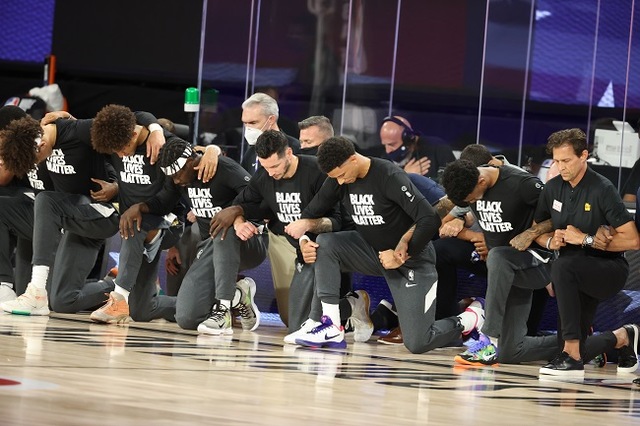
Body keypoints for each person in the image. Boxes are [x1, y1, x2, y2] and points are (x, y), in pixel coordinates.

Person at [291, 136, 485, 351]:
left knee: (418, 342)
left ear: (353, 159)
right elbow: (309, 215)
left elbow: (428, 219)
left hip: (412, 259)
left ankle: (470, 319)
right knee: (327, 243)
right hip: (373, 253)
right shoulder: (339, 179)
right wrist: (305, 239)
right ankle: (330, 324)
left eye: (342, 175)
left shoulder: (388, 175)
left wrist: (403, 253)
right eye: (334, 177)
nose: (340, 181)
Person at [87, 104, 221, 324]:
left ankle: (118, 299)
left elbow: (170, 195)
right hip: (139, 222)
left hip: (169, 220)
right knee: (141, 311)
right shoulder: (120, 132)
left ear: (133, 134)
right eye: (116, 153)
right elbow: (135, 114)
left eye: (123, 149)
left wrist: (212, 149)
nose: (120, 155)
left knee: (133, 221)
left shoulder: (166, 146)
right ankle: (218, 305)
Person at [534, 128, 640, 376]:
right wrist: (551, 241)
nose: (561, 167)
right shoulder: (552, 188)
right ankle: (622, 337)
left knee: (562, 267)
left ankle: (571, 354)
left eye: (567, 160)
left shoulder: (602, 188)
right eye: (557, 161)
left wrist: (585, 239)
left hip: (607, 269)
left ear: (584, 156)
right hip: (571, 270)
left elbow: (633, 240)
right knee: (570, 346)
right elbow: (537, 230)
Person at [0, 113, 125, 315]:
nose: (35, 166)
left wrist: (118, 187)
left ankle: (37, 292)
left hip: (102, 212)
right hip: (71, 217)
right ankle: (119, 284)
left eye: (35, 160)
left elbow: (129, 124)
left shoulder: (79, 131)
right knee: (62, 301)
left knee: (44, 200)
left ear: (40, 147)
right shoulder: (41, 143)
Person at [155, 137, 267, 334]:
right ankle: (239, 295)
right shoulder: (177, 178)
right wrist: (140, 208)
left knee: (226, 226)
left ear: (191, 161)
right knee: (187, 318)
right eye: (171, 176)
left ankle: (223, 309)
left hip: (249, 241)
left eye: (178, 173)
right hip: (209, 248)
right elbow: (164, 202)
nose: (176, 180)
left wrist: (236, 212)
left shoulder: (223, 168)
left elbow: (259, 198)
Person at [237, 93, 301, 327]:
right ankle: (232, 298)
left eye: (253, 123)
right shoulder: (249, 151)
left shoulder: (294, 148)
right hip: (252, 226)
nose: (247, 129)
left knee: (292, 319)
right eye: (245, 123)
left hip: (285, 231)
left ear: (271, 120)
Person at [367, 115, 455, 181]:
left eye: (392, 144)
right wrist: (405, 176)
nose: (388, 150)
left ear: (408, 138)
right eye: (385, 145)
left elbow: (454, 183)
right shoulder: (383, 159)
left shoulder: (439, 149)